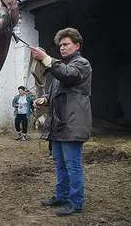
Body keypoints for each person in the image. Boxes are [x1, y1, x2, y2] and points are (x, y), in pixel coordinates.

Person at [29, 27, 92, 216]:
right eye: (61, 45)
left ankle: (75, 202)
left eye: (66, 44)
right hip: (59, 123)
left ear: (77, 45)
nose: (62, 48)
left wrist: (46, 58)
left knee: (72, 164)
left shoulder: (81, 64)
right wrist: (45, 99)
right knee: (60, 162)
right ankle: (62, 195)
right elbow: (57, 90)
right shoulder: (61, 67)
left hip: (72, 123)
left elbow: (69, 75)